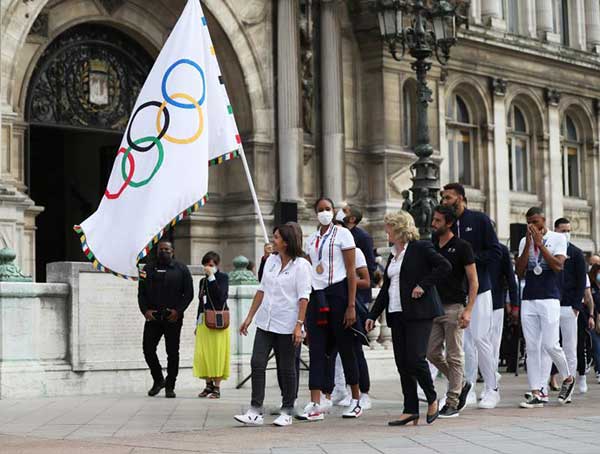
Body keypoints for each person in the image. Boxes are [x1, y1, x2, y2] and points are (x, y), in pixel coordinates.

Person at [366, 210, 451, 426]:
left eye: (389, 229)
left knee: (415, 358)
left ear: (399, 229)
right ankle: (410, 408)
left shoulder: (420, 248)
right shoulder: (393, 255)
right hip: (397, 313)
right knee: (402, 363)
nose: (386, 233)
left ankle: (432, 398)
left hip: (419, 313)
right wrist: (373, 314)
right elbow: (386, 288)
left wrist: (423, 285)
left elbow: (444, 266)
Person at [234, 224, 312, 427]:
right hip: (265, 322)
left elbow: (304, 298)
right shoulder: (270, 261)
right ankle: (255, 410)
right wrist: (249, 317)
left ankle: (287, 410)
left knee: (287, 368)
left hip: (287, 324)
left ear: (286, 242)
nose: (272, 240)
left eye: (276, 237)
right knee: (257, 363)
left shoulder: (302, 265)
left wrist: (299, 325)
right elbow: (261, 290)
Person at [298, 197, 362, 421]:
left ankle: (356, 398)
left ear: (333, 211)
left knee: (345, 347)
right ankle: (316, 401)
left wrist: (351, 305)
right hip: (317, 295)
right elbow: (307, 269)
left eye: (327, 209)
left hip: (339, 293)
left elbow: (352, 270)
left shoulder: (343, 234)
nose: (324, 213)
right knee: (316, 349)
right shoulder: (312, 238)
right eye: (320, 210)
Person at [441, 183, 502, 409]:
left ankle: (491, 388)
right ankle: (466, 389)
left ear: (461, 198)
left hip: (480, 289)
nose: (444, 201)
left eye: (448, 197)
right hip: (455, 293)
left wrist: (470, 260)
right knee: (462, 344)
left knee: (479, 338)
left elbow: (495, 251)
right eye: (442, 197)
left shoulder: (479, 220)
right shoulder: (446, 225)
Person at [515, 207, 575, 408]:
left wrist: (540, 245)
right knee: (531, 348)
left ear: (544, 219)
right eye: (529, 222)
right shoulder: (525, 241)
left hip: (550, 297)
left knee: (550, 344)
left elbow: (558, 266)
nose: (532, 225)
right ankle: (537, 391)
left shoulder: (558, 239)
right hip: (529, 298)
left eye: (535, 221)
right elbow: (520, 271)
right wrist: (528, 245)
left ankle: (568, 377)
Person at [428, 205, 478, 418]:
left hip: (454, 307)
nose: (433, 224)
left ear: (449, 223)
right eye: (434, 219)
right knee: (431, 353)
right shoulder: (431, 244)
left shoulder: (462, 246)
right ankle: (462, 383)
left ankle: (452, 400)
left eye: (438, 221)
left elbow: (473, 281)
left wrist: (468, 310)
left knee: (454, 355)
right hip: (434, 307)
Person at [138, 241, 193, 398]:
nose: (164, 252)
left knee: (172, 353)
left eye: (167, 249)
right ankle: (158, 380)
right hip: (153, 317)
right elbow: (141, 293)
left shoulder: (182, 269)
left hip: (172, 318)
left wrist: (178, 311)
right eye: (161, 249)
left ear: (173, 251)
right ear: (157, 251)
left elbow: (188, 294)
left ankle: (170, 386)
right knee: (148, 350)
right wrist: (145, 311)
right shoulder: (146, 269)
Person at [544, 218, 586, 397]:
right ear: (555, 230)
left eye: (568, 230)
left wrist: (576, 305)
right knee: (549, 345)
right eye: (562, 230)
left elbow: (580, 281)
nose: (566, 234)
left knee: (569, 346)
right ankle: (544, 383)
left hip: (569, 306)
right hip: (551, 303)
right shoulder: (550, 249)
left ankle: (568, 387)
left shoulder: (576, 253)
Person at [193, 251, 230, 399]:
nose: (207, 268)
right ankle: (208, 385)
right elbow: (201, 303)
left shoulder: (222, 278)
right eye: (206, 265)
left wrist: (212, 277)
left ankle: (217, 387)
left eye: (211, 265)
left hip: (218, 321)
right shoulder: (202, 282)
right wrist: (197, 323)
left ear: (216, 265)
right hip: (204, 320)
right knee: (204, 354)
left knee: (217, 354)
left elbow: (220, 297)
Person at [488, 222, 519, 385]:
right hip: (474, 303)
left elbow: (510, 279)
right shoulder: (472, 248)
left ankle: (491, 378)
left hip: (496, 303)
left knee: (493, 344)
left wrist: (514, 305)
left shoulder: (501, 250)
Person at [341, 205, 377, 283]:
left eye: (344, 211)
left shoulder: (363, 237)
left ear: (352, 219)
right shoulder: (340, 233)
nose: (340, 213)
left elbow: (370, 264)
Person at [587, 263, 600, 384]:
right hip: (594, 320)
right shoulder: (591, 287)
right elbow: (589, 302)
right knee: (596, 346)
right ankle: (598, 371)